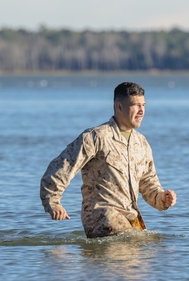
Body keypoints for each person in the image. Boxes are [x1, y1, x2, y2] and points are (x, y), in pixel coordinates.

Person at [40, 81, 177, 237]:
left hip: (131, 220)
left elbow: (148, 182)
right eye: (136, 105)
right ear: (119, 107)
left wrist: (162, 199)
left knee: (156, 251)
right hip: (103, 219)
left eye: (143, 105)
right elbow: (63, 166)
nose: (141, 111)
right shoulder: (96, 137)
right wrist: (52, 201)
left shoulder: (141, 143)